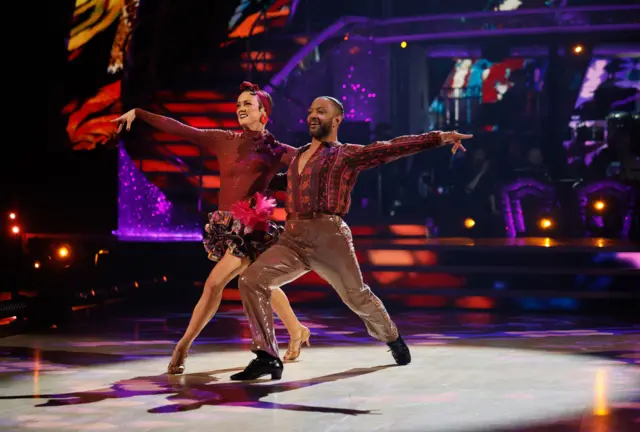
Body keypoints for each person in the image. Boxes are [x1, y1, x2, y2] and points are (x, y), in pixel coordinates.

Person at [230, 96, 471, 380]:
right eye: (310, 111)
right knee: (252, 280)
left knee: (357, 296)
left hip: (329, 236)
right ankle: (267, 356)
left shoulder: (345, 155)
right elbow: (286, 182)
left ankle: (391, 337)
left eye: (321, 111)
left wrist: (438, 137)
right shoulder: (298, 156)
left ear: (337, 119)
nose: (312, 116)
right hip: (292, 238)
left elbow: (391, 148)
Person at [111, 82, 311, 374]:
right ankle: (297, 329)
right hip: (228, 225)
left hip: (252, 227)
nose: (241, 108)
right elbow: (182, 130)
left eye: (248, 104)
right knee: (260, 282)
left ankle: (183, 346)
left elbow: (312, 164)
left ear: (263, 114)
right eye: (238, 104)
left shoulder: (277, 150)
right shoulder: (224, 139)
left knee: (215, 283)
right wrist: (140, 113)